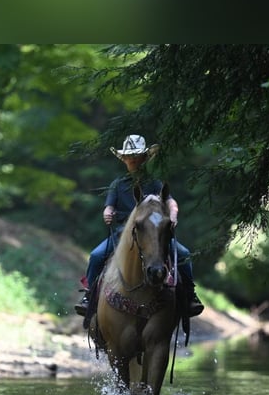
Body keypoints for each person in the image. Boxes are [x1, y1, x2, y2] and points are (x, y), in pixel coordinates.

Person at [75, 134, 204, 318]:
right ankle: (89, 297)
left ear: (145, 158)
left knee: (183, 254)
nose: (133, 159)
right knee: (96, 256)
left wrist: (173, 213)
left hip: (153, 234)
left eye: (136, 155)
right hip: (122, 235)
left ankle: (191, 296)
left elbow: (170, 201)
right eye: (129, 156)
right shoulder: (117, 185)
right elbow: (109, 206)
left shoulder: (154, 183)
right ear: (124, 159)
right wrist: (107, 212)